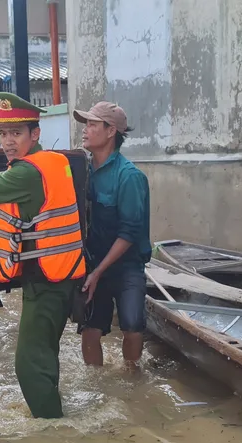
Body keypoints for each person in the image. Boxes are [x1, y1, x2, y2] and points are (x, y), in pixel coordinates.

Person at [0, 92, 85, 418]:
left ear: (34, 134)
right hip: (63, 276)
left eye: (16, 133)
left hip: (46, 282)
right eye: (4, 133)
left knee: (28, 365)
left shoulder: (26, 173)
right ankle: (56, 415)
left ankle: (53, 434)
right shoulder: (55, 161)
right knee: (45, 355)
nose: (8, 142)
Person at [72, 101, 151, 368]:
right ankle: (97, 385)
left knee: (132, 325)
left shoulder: (129, 177)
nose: (85, 130)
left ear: (110, 132)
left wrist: (98, 272)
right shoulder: (82, 171)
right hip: (93, 261)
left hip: (127, 265)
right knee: (90, 328)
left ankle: (132, 379)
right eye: (86, 124)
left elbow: (129, 232)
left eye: (92, 125)